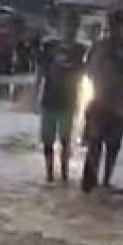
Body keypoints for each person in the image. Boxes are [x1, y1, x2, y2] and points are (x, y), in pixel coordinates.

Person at [81, 9, 123, 193]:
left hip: (117, 104)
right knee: (94, 143)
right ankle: (93, 182)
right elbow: (89, 71)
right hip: (99, 101)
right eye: (112, 24)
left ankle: (105, 181)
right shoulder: (99, 46)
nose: (114, 28)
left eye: (118, 24)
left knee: (112, 146)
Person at [37, 14, 86, 184]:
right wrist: (36, 91)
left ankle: (64, 175)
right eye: (67, 26)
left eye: (73, 27)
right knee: (47, 141)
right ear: (61, 27)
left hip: (68, 101)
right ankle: (49, 174)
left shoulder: (80, 50)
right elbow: (41, 71)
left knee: (65, 140)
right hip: (49, 100)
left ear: (77, 29)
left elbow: (82, 75)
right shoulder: (49, 47)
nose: (69, 30)